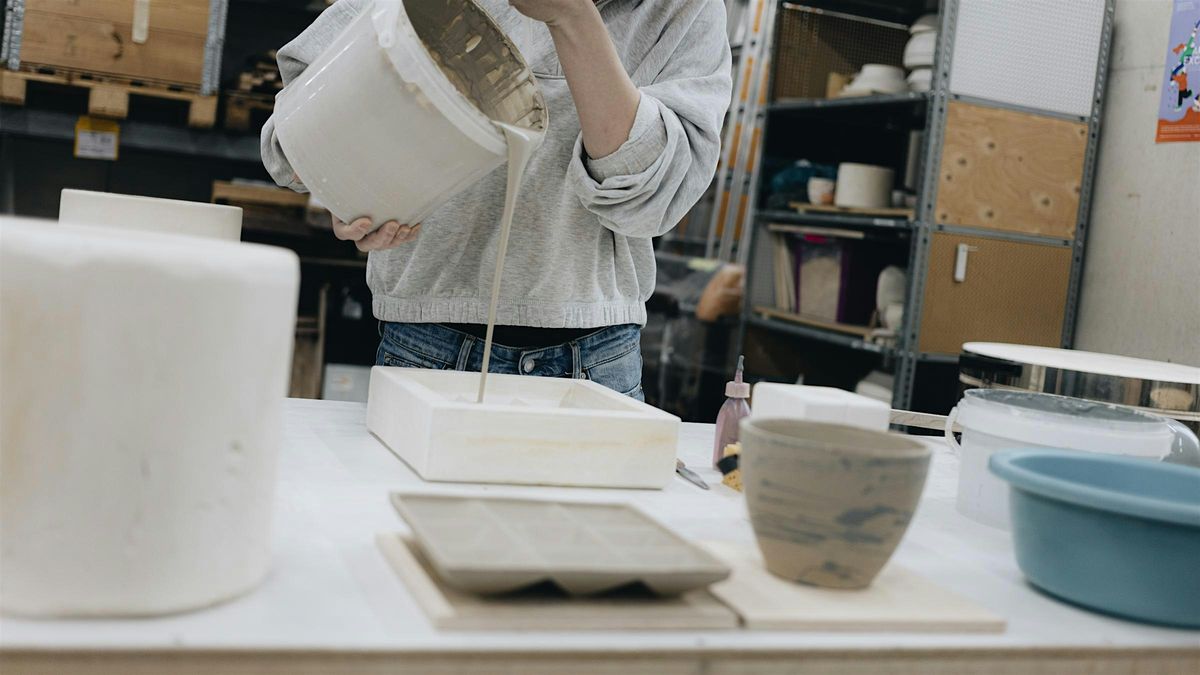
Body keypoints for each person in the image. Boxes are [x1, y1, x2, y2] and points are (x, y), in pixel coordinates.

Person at [262, 0, 732, 399]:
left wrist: (573, 18)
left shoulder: (683, 8)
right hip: (430, 337)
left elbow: (655, 201)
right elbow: (293, 134)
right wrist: (351, 182)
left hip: (594, 354)